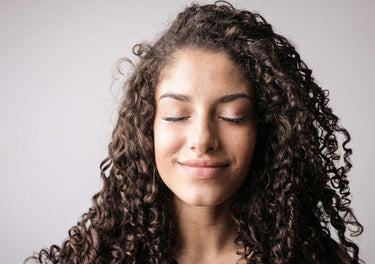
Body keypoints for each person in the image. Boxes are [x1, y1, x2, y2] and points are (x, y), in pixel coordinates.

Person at [26, 1, 364, 263]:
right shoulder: (93, 259)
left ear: (267, 130)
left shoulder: (317, 260)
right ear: (147, 129)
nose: (202, 139)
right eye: (176, 115)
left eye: (233, 116)